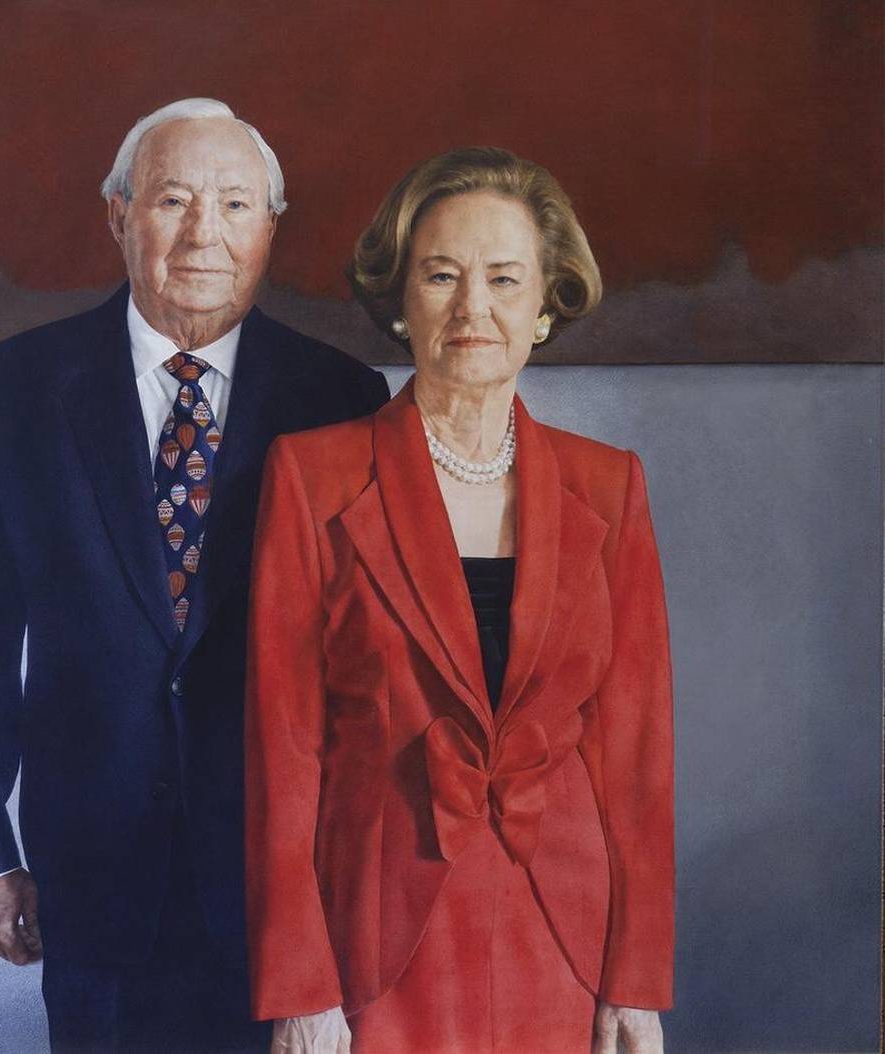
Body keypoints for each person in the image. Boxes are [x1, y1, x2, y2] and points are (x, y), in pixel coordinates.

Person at [0, 97, 389, 1052]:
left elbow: (371, 657)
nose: (204, 233)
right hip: (89, 872)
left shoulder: (341, 398)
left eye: (236, 204)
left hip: (286, 878)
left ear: (270, 227)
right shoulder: (20, 384)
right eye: (173, 200)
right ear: (119, 215)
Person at [245, 147, 674, 1053]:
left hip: (564, 937)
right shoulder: (313, 477)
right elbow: (284, 751)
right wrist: (301, 985)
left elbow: (636, 757)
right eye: (442, 275)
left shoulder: (610, 486)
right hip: (376, 940)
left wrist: (636, 981)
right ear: (401, 300)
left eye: (504, 279)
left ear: (545, 306)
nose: (473, 307)